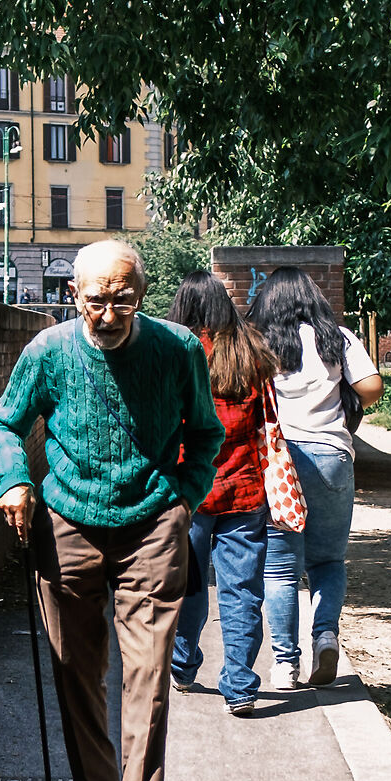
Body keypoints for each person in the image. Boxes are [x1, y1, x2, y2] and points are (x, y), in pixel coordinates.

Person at [0, 239, 224, 781]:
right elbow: (1, 421)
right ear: (74, 296)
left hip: (152, 524)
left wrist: (183, 501)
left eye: (124, 300)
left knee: (147, 669)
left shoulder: (178, 350)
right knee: (77, 667)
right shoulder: (50, 352)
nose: (110, 315)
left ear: (141, 296)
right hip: (67, 524)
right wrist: (12, 479)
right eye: (96, 303)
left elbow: (205, 433)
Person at [252, 267, 382, 689]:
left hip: (280, 461)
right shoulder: (338, 338)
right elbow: (372, 387)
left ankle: (285, 664)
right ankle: (325, 637)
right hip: (331, 457)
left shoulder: (259, 342)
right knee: (327, 560)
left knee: (280, 570)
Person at [166, 274, 277, 715]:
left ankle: (183, 661)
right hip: (245, 490)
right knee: (243, 591)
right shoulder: (249, 350)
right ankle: (241, 685)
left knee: (187, 585)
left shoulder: (172, 350)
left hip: (187, 491)